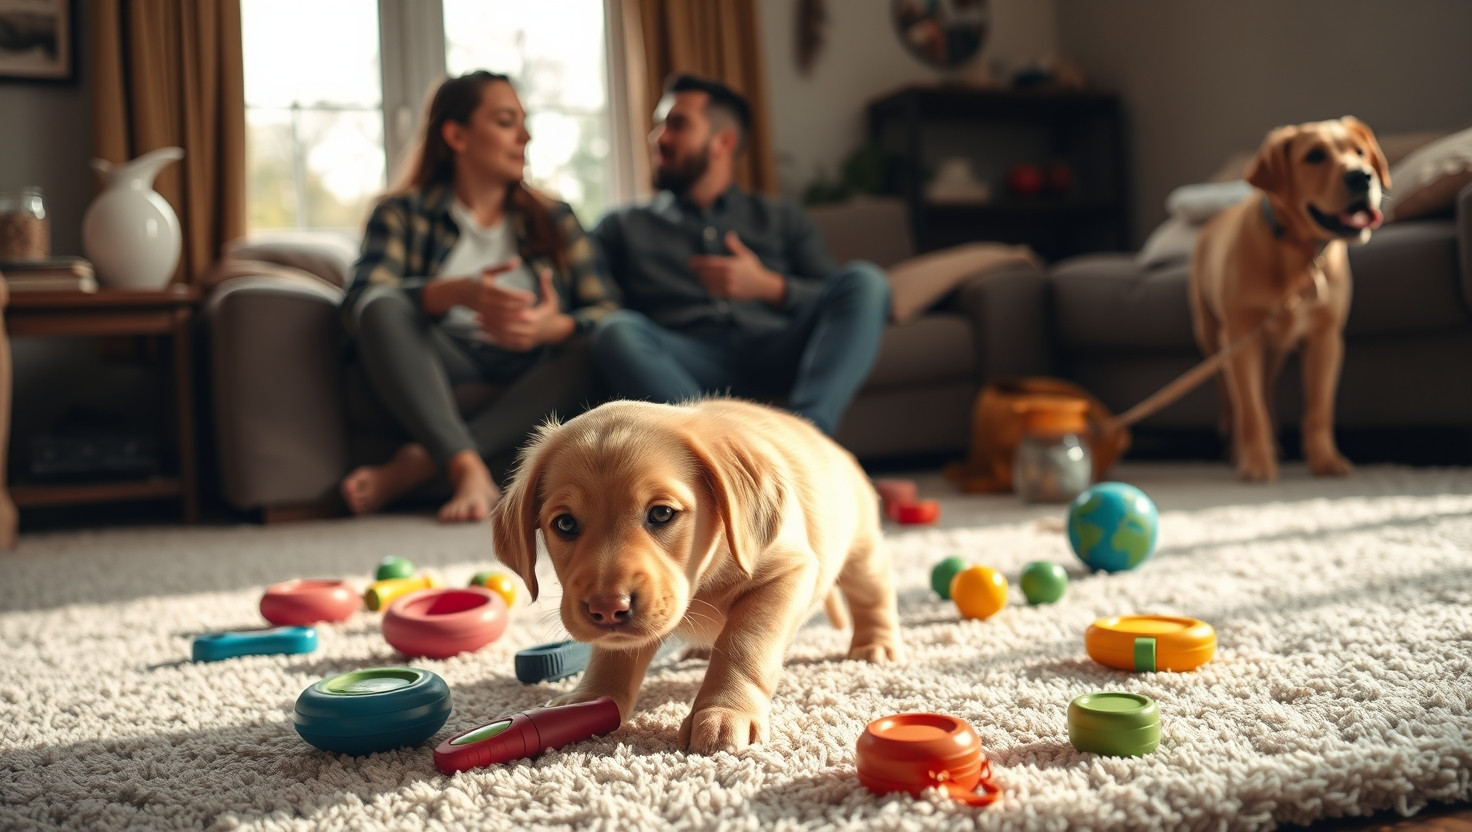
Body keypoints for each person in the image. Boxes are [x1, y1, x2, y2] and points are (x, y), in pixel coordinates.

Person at [339, 70, 618, 522]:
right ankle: (464, 464)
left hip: (534, 365)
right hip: (447, 357)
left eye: (524, 122)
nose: (525, 136)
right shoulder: (401, 214)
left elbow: (609, 311)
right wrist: (454, 294)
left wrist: (556, 326)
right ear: (456, 135)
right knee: (381, 306)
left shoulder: (555, 218)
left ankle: (423, 462)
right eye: (507, 121)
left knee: (597, 347)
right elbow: (357, 310)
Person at [590, 75, 890, 438]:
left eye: (677, 124)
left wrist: (770, 287)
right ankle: (719, 447)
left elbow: (836, 300)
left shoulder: (782, 218)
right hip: (685, 359)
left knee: (866, 280)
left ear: (724, 142)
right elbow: (592, 299)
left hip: (778, 349)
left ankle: (807, 441)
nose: (657, 138)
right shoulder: (622, 227)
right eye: (658, 125)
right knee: (617, 330)